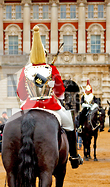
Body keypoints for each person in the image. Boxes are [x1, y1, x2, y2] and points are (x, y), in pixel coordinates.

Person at [17, 25, 83, 169]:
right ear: (44, 55)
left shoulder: (25, 70)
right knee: (70, 125)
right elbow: (60, 90)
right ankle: (73, 156)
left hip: (28, 106)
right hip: (50, 105)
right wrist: (53, 90)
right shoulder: (51, 69)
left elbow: (21, 93)